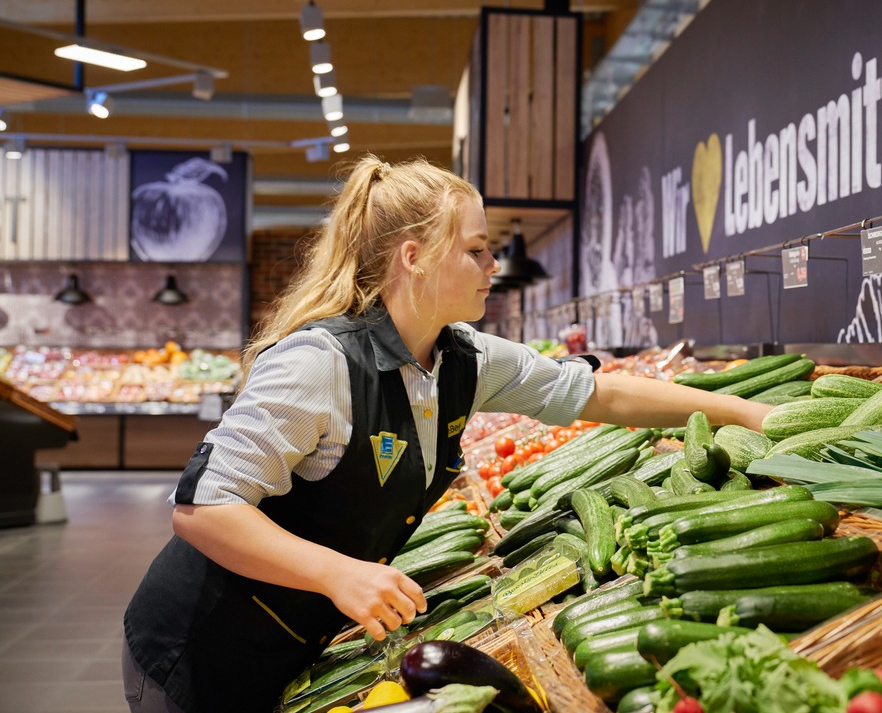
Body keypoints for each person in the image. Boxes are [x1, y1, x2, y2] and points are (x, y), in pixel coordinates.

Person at [122, 156, 772, 713]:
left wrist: (741, 412)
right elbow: (204, 509)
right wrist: (338, 574)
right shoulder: (319, 364)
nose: (493, 264)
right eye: (476, 249)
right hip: (198, 651)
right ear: (415, 258)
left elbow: (600, 392)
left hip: (300, 640)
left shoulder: (462, 358)